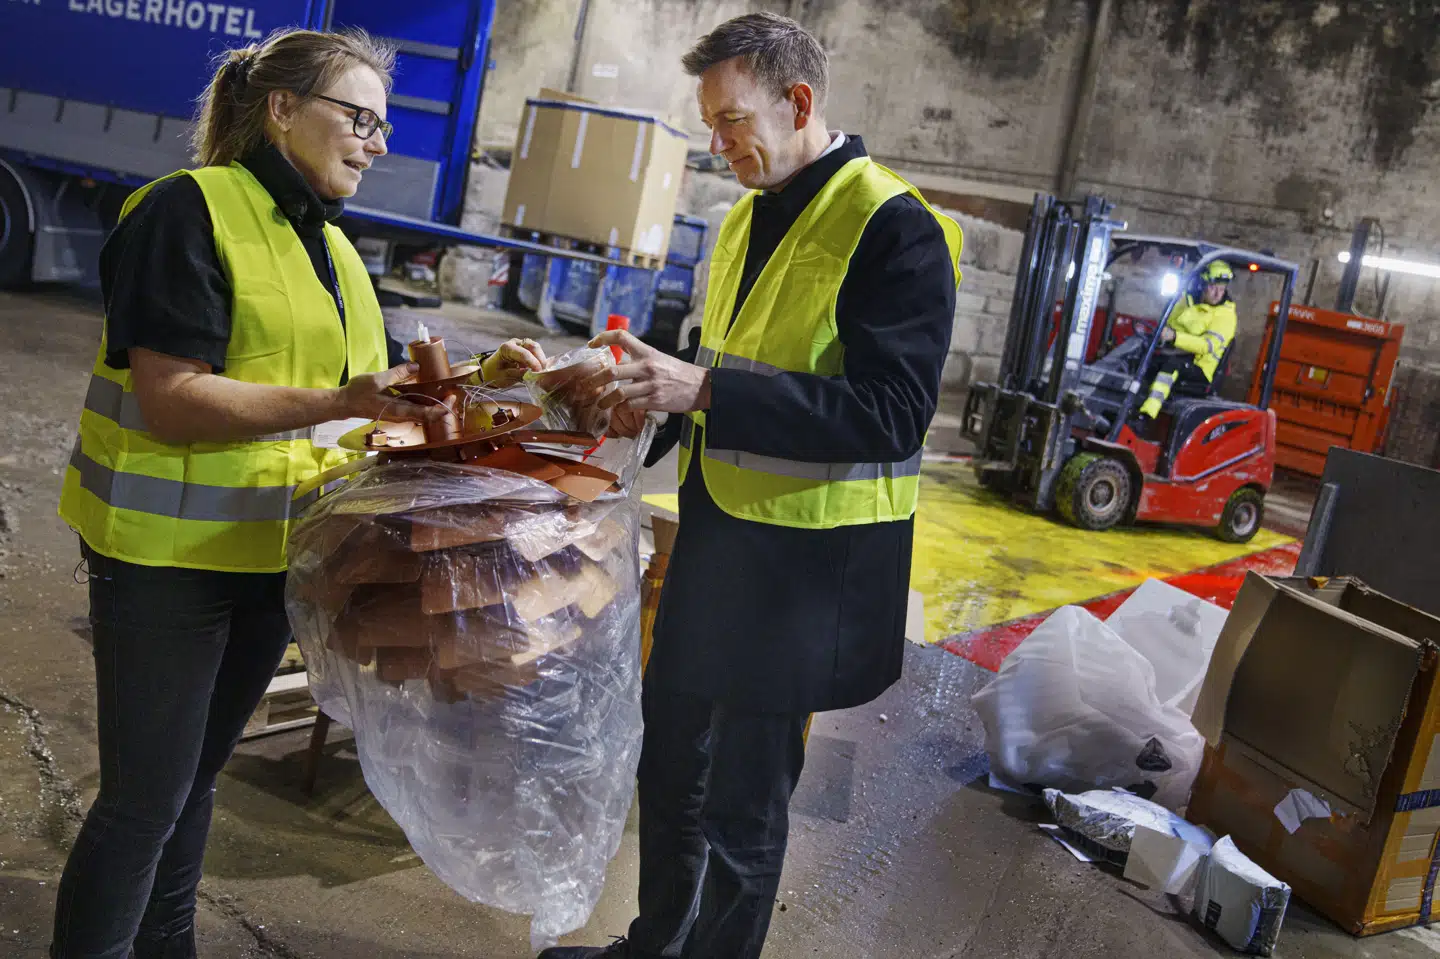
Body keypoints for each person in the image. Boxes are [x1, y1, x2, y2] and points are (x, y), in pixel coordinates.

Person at [51, 28, 542, 959]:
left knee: (194, 784)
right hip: (165, 563)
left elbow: (368, 394)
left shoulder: (329, 246)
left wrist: (484, 377)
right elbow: (171, 398)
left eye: (383, 125)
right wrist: (341, 399)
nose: (377, 140)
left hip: (269, 557)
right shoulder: (186, 212)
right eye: (358, 117)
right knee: (143, 800)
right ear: (282, 109)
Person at [542, 13, 962, 959]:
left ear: (799, 102)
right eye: (712, 123)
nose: (719, 141)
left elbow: (891, 412)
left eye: (732, 120)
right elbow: (724, 361)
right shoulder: (743, 214)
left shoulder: (894, 227)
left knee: (743, 798)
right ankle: (655, 942)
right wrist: (644, 395)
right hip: (719, 543)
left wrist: (700, 386)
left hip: (809, 569)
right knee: (670, 760)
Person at [1138, 259, 1238, 418]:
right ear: (1202, 284)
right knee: (1140, 358)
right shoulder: (1186, 301)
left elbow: (1206, 346)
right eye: (1213, 287)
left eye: (1222, 288)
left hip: (1200, 367)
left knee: (1171, 367)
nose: (1218, 294)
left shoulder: (1225, 315)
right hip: (1175, 353)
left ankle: (1147, 414)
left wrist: (1175, 337)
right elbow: (1169, 324)